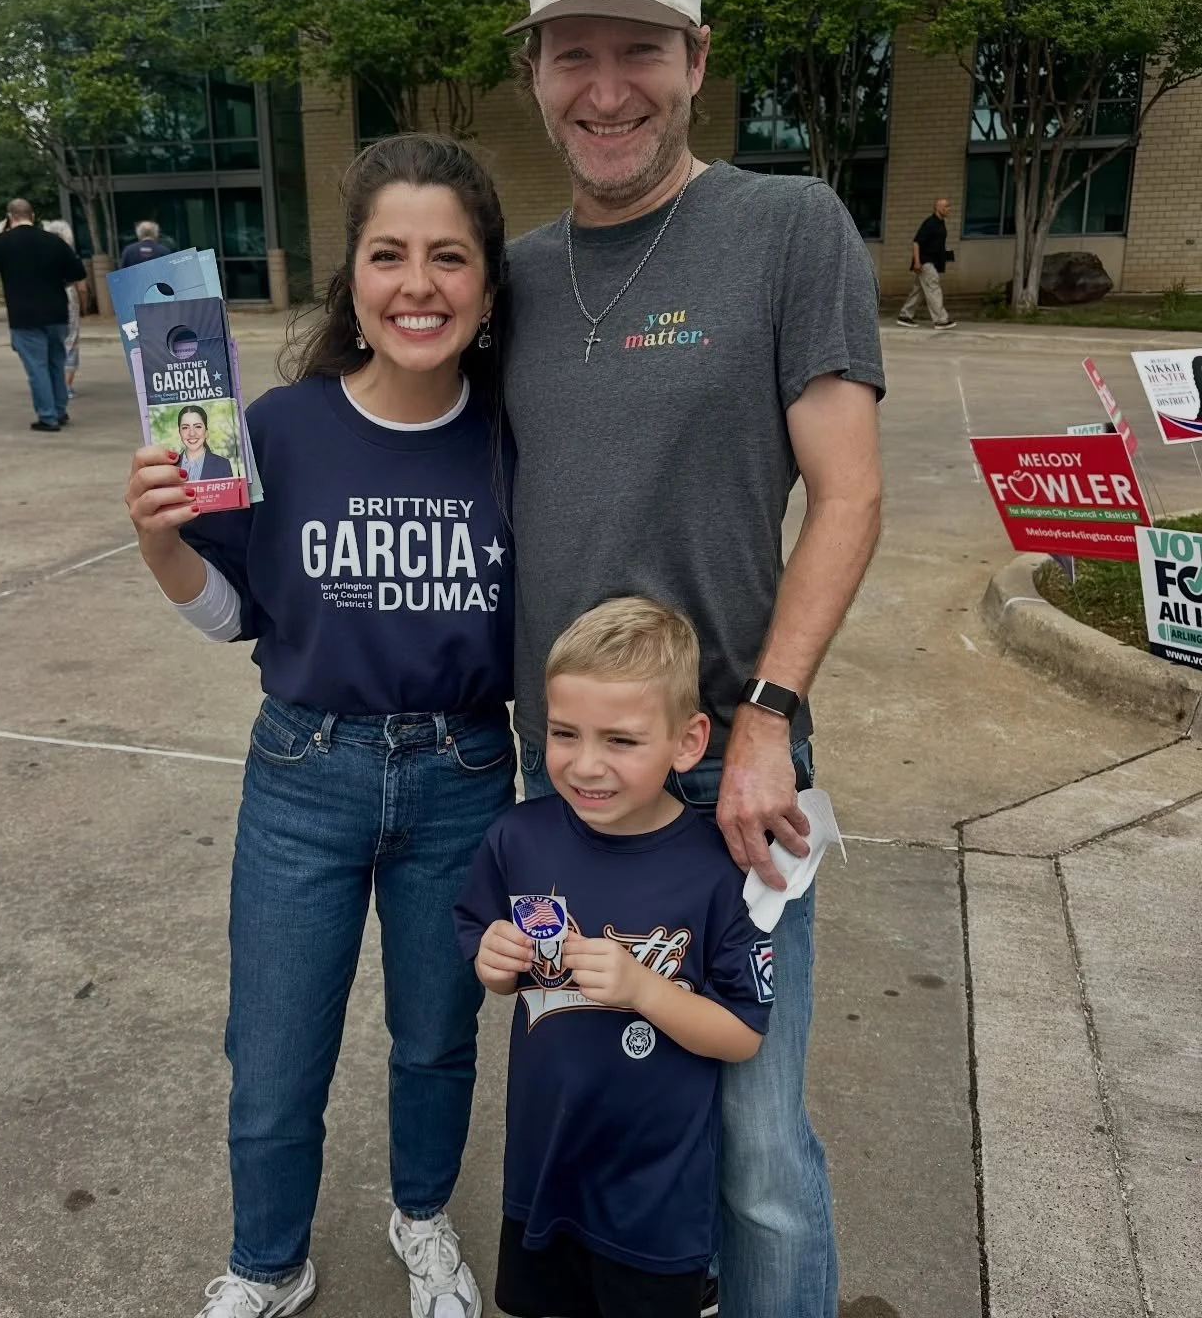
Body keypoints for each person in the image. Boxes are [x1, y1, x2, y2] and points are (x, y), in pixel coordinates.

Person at [502, 0, 885, 1318]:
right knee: (608, 1097)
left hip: (732, 769)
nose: (607, 90)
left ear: (697, 57)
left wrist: (773, 715)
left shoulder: (788, 229)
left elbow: (847, 495)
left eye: (640, 51)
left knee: (755, 1135)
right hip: (569, 773)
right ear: (537, 74)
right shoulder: (521, 275)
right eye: (573, 56)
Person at [123, 133, 515, 1318]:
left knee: (438, 1038)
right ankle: (268, 1263)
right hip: (303, 773)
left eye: (449, 256)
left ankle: (421, 1215)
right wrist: (156, 542)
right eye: (388, 254)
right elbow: (234, 614)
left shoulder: (515, 437)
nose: (418, 284)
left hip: (464, 773)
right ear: (351, 278)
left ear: (488, 284)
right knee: (275, 1052)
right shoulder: (277, 429)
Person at [455, 597, 773, 1318]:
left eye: (622, 741)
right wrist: (492, 961)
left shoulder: (717, 870)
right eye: (565, 733)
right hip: (542, 1172)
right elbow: (484, 940)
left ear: (688, 742)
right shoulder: (520, 839)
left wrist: (643, 990)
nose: (586, 764)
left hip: (653, 1204)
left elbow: (744, 1033)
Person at [0, 199, 87, 432]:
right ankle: (59, 409)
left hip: (24, 315)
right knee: (56, 362)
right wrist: (60, 281)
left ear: (10, 217)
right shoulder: (52, 242)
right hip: (56, 311)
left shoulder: (4, 243)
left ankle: (47, 416)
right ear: (33, 215)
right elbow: (78, 270)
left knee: (37, 367)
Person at [896, 198, 957, 329]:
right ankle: (941, 320)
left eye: (949, 206)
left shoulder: (941, 223)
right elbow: (917, 242)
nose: (948, 209)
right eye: (946, 206)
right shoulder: (930, 223)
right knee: (934, 288)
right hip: (925, 261)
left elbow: (935, 244)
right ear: (937, 208)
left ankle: (905, 315)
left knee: (919, 291)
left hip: (932, 262)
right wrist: (917, 262)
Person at [42, 218, 84, 396]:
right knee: (71, 339)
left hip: (44, 298)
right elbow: (81, 284)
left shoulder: (40, 255)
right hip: (67, 295)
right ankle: (66, 385)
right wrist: (84, 302)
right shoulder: (69, 255)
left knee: (49, 340)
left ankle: (51, 383)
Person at [175, 404, 235, 479]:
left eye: (197, 426)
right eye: (185, 428)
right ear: (179, 432)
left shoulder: (223, 465)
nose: (192, 433)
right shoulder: (170, 466)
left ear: (206, 432)